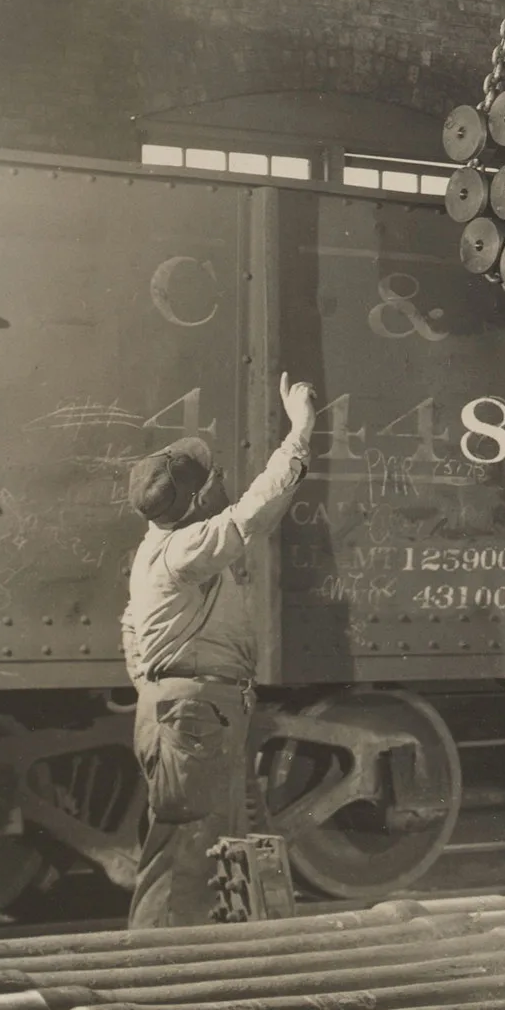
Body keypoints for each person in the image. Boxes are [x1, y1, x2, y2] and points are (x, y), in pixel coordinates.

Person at [121, 372, 317, 928]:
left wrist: (154, 686)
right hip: (195, 716)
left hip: (188, 713)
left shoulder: (155, 548)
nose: (221, 480)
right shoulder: (186, 549)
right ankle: (153, 976)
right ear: (196, 499)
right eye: (213, 479)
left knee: (196, 851)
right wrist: (300, 429)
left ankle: (183, 970)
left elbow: (131, 624)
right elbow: (254, 512)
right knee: (183, 857)